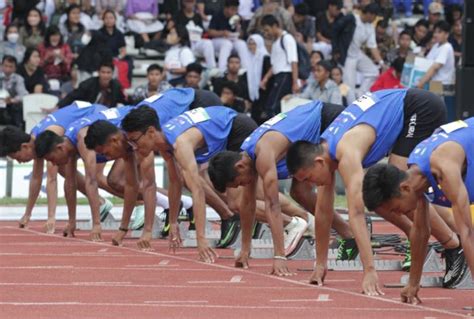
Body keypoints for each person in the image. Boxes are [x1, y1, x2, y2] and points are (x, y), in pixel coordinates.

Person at [286, 88, 464, 295]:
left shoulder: (346, 152)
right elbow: (323, 212)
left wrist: (370, 270)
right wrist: (320, 264)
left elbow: (357, 213)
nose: (310, 184)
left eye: (308, 178)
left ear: (318, 162)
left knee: (401, 190)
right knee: (383, 195)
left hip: (419, 108)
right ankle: (454, 237)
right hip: (400, 115)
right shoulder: (326, 154)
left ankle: (454, 245)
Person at [208, 101, 354, 274]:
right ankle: (350, 235)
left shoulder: (263, 154)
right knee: (299, 192)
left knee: (323, 187)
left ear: (240, 167)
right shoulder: (248, 155)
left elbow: (272, 205)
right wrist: (245, 249)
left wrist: (279, 256)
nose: (242, 185)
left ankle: (350, 236)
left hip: (329, 120)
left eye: (239, 182)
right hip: (310, 131)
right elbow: (247, 205)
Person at [121, 105, 258, 262]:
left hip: (238, 129)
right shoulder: (165, 144)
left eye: (135, 140)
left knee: (240, 199)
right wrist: (173, 223)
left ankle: (288, 222)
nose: (134, 147)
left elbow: (197, 191)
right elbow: (175, 182)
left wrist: (201, 239)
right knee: (239, 195)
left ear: (151, 132)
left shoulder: (180, 144)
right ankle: (266, 229)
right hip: (225, 132)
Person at [363, 118, 474, 301]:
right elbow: (421, 231)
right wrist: (413, 283)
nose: (399, 215)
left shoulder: (443, 167)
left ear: (404, 189)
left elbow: (467, 233)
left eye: (396, 209)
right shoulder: (417, 173)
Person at [0, 101, 111, 234]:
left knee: (96, 177)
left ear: (24, 146)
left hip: (98, 116)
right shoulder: (35, 139)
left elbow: (51, 180)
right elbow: (36, 178)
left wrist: (51, 218)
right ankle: (100, 202)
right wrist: (27, 214)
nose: (19, 162)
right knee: (65, 169)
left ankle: (138, 203)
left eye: (17, 158)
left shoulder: (48, 138)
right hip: (83, 119)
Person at [260, 14, 299, 118]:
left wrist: (295, 82)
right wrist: (265, 79)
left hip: (285, 76)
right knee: (272, 108)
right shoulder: (276, 42)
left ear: (275, 26)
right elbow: (274, 65)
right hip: (278, 77)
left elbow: (293, 61)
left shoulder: (287, 39)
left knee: (272, 108)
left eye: (267, 30)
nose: (266, 33)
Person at [342, 3, 384, 97]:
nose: (375, 19)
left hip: (357, 53)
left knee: (374, 72)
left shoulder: (370, 27)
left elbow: (373, 46)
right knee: (348, 86)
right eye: (375, 16)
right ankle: (351, 107)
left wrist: (381, 63)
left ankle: (361, 94)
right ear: (370, 14)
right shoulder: (353, 19)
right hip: (347, 56)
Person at [57, 59, 126, 108]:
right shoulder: (88, 84)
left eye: (108, 72)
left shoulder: (116, 86)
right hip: (89, 113)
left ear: (112, 74)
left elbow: (123, 100)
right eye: (103, 72)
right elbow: (72, 96)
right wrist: (58, 106)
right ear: (98, 72)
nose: (105, 75)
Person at [208, 0, 249, 72]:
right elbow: (210, 32)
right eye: (232, 9)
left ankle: (245, 70)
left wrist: (238, 27)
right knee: (227, 44)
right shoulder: (217, 15)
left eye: (236, 9)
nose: (234, 12)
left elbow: (241, 35)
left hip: (232, 39)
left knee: (242, 44)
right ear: (226, 8)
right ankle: (222, 70)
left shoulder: (237, 17)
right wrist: (222, 33)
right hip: (217, 41)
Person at [174, 0, 216, 69]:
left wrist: (196, 32)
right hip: (184, 42)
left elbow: (202, 30)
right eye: (188, 2)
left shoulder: (197, 16)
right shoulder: (179, 15)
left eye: (191, 2)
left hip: (196, 40)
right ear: (183, 2)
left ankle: (212, 68)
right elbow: (179, 30)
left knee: (208, 43)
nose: (189, 4)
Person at [245, 33, 271, 124]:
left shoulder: (265, 58)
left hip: (265, 94)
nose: (251, 46)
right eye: (249, 43)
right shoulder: (249, 59)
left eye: (253, 44)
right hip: (255, 97)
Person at [0, 55, 28, 128]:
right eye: (6, 66)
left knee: (18, 107)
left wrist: (12, 100)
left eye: (10, 66)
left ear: (15, 68)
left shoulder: (18, 79)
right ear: (1, 66)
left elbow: (24, 95)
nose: (7, 69)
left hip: (12, 107)